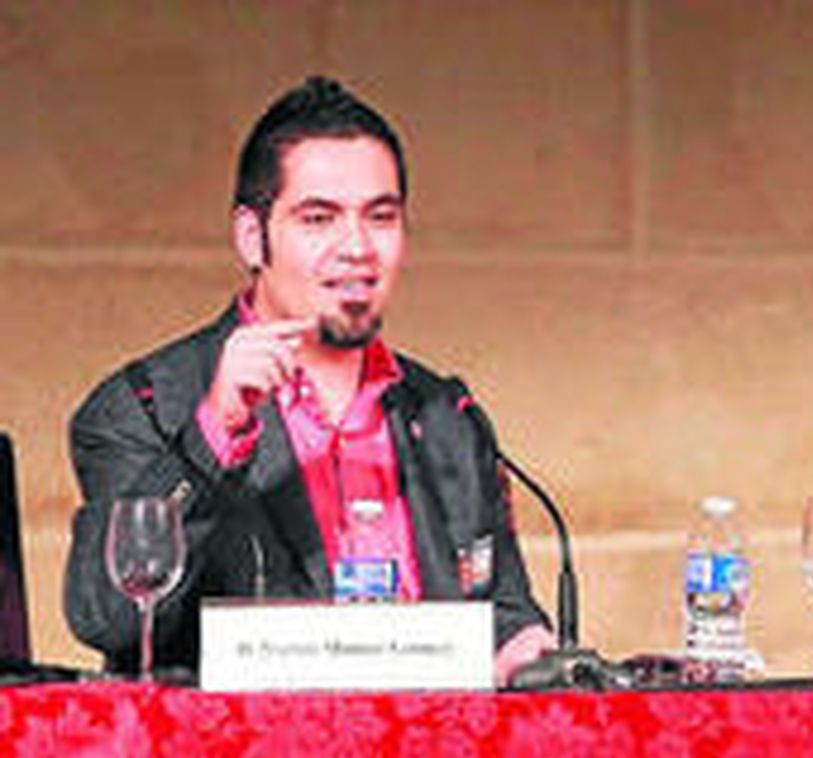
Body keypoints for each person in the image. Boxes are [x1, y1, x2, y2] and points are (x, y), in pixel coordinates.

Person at [64, 77, 555, 685]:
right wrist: (214, 432)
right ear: (252, 236)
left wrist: (524, 645)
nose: (357, 248)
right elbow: (108, 617)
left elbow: (503, 614)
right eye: (319, 218)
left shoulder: (447, 413)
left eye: (381, 217)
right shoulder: (144, 406)